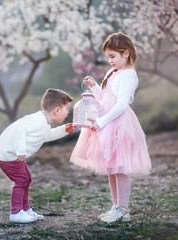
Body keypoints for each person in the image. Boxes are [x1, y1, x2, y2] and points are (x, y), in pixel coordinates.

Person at [70, 32, 152, 223]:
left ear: (126, 54)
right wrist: (94, 87)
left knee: (120, 168)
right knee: (111, 167)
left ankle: (123, 209)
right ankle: (116, 206)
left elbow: (122, 104)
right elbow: (104, 100)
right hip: (107, 123)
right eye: (108, 57)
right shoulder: (113, 73)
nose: (110, 61)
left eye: (113, 56)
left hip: (119, 124)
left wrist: (100, 121)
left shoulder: (129, 75)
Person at [0, 88, 74, 224]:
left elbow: (45, 136)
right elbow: (19, 129)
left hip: (13, 154)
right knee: (21, 181)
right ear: (57, 110)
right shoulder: (37, 121)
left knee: (26, 179)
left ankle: (25, 209)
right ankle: (16, 213)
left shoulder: (44, 123)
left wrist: (63, 130)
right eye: (67, 109)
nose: (68, 113)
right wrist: (21, 150)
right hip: (8, 154)